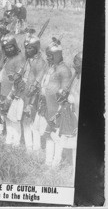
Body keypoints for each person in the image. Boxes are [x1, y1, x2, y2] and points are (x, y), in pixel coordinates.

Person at [41, 38, 72, 167]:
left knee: (57, 137)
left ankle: (55, 164)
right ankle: (48, 162)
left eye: (50, 56)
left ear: (57, 55)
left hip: (58, 109)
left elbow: (65, 95)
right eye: (47, 56)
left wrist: (58, 113)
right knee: (49, 135)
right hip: (49, 106)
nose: (48, 58)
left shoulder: (64, 70)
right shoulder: (51, 67)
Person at [0, 34, 26, 147]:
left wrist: (12, 94)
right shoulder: (8, 58)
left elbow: (18, 79)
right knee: (7, 117)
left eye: (11, 47)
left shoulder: (19, 58)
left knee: (14, 118)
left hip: (13, 93)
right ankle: (9, 138)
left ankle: (16, 141)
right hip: (4, 91)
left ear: (15, 46)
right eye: (6, 48)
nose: (9, 49)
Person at [21, 33, 48, 152]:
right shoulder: (27, 60)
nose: (27, 50)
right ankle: (28, 145)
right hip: (24, 92)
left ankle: (35, 148)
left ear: (36, 48)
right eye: (26, 47)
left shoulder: (40, 62)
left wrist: (31, 101)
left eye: (30, 48)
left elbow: (38, 82)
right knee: (25, 120)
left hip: (33, 96)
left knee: (32, 121)